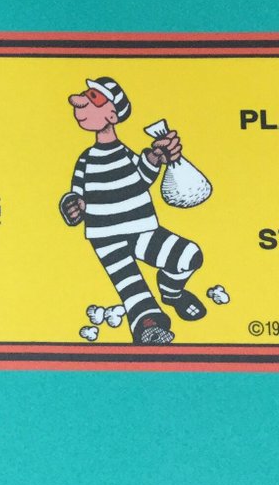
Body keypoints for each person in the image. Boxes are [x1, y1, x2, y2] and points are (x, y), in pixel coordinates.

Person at [62, 76, 205, 344]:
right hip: (105, 236)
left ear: (112, 115)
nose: (80, 104)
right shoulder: (86, 160)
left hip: (142, 227)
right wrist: (74, 207)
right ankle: (150, 328)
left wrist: (156, 157)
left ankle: (171, 293)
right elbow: (76, 194)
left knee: (189, 255)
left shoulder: (126, 154)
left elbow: (141, 177)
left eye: (94, 99)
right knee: (132, 288)